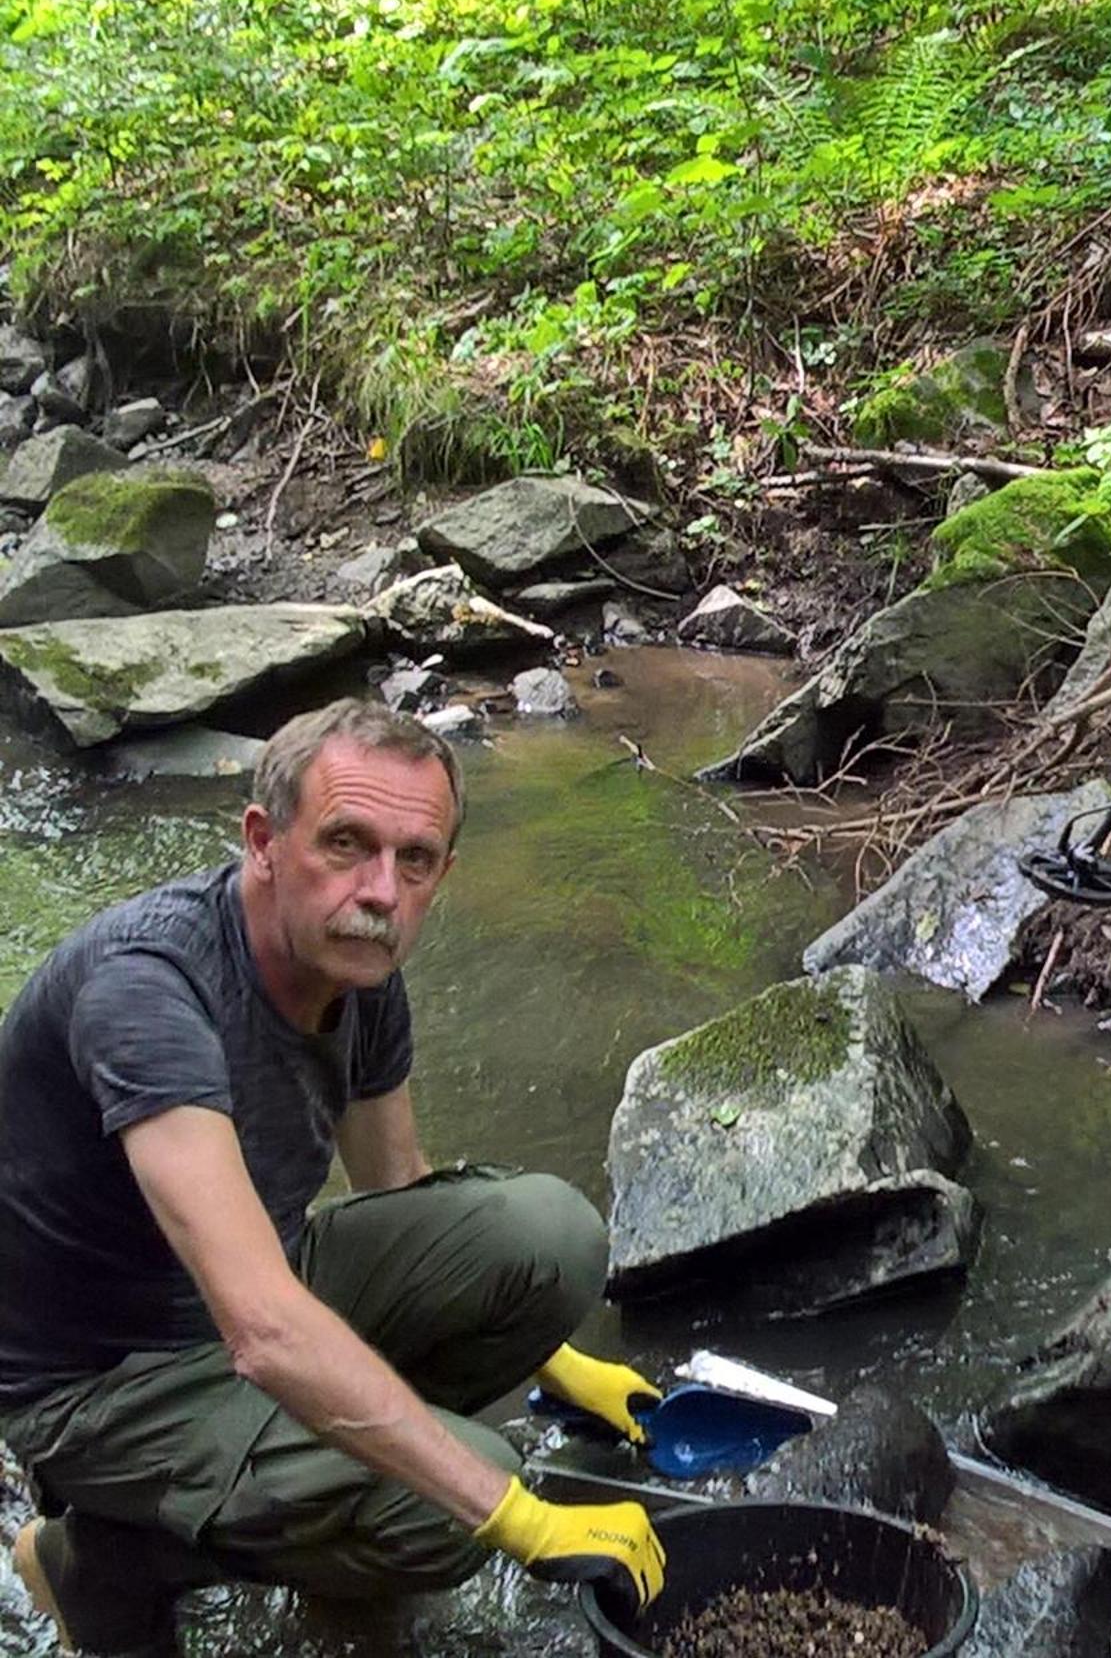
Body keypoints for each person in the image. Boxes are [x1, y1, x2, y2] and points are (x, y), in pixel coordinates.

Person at [0, 700, 669, 1656]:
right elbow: (265, 1327)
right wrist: (517, 1515)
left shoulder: (360, 971)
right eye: (346, 844)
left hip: (245, 1294)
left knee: (549, 1242)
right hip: (98, 1383)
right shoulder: (147, 992)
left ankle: (333, 1529)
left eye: (416, 860)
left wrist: (551, 1360)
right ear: (263, 842)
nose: (380, 892)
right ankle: (98, 1561)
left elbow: (402, 1192)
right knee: (454, 1504)